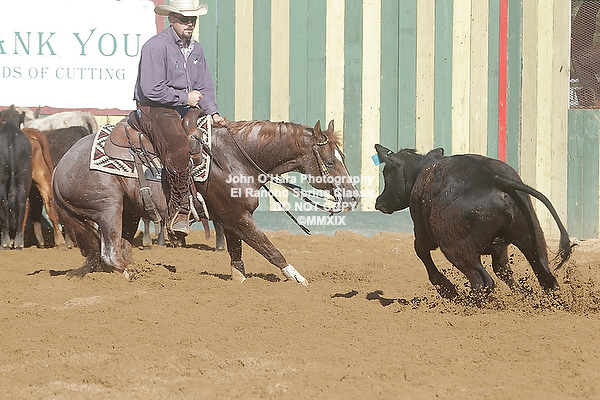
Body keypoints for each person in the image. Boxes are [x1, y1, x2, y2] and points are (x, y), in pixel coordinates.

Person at [133, 0, 226, 237]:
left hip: (184, 106)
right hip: (155, 108)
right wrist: (185, 97)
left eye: (193, 19)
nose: (190, 23)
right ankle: (179, 208)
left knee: (217, 140)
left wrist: (213, 112)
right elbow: (151, 89)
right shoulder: (156, 46)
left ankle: (213, 199)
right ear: (171, 19)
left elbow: (204, 86)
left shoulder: (196, 49)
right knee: (179, 146)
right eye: (184, 19)